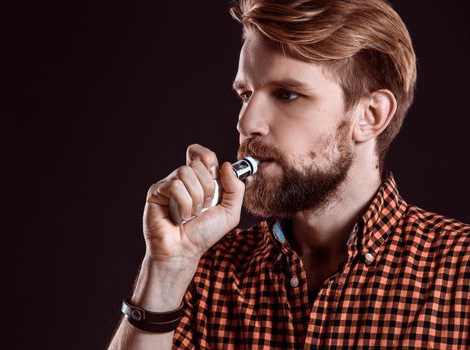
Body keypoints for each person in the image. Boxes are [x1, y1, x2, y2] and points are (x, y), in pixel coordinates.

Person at [108, 0, 470, 348]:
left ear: (370, 116)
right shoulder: (206, 272)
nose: (246, 123)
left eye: (286, 94)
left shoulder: (460, 273)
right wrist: (166, 269)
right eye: (245, 94)